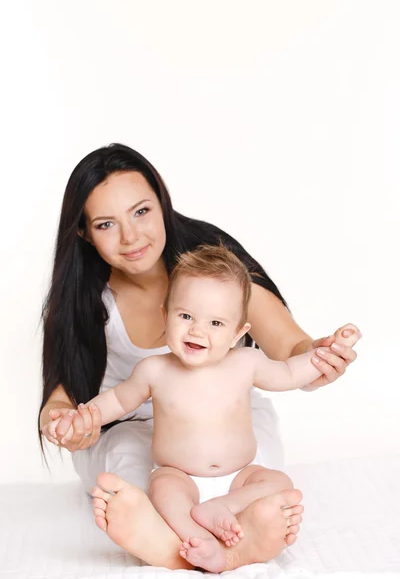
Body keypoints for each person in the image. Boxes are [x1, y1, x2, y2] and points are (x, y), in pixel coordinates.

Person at [39, 143, 360, 571]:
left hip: (231, 434)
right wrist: (68, 419)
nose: (131, 237)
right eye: (105, 224)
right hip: (145, 438)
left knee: (272, 478)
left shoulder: (215, 268)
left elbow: (289, 358)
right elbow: (97, 401)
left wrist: (320, 358)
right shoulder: (89, 304)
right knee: (138, 477)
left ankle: (208, 534)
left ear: (162, 201)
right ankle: (190, 542)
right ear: (83, 231)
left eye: (141, 212)